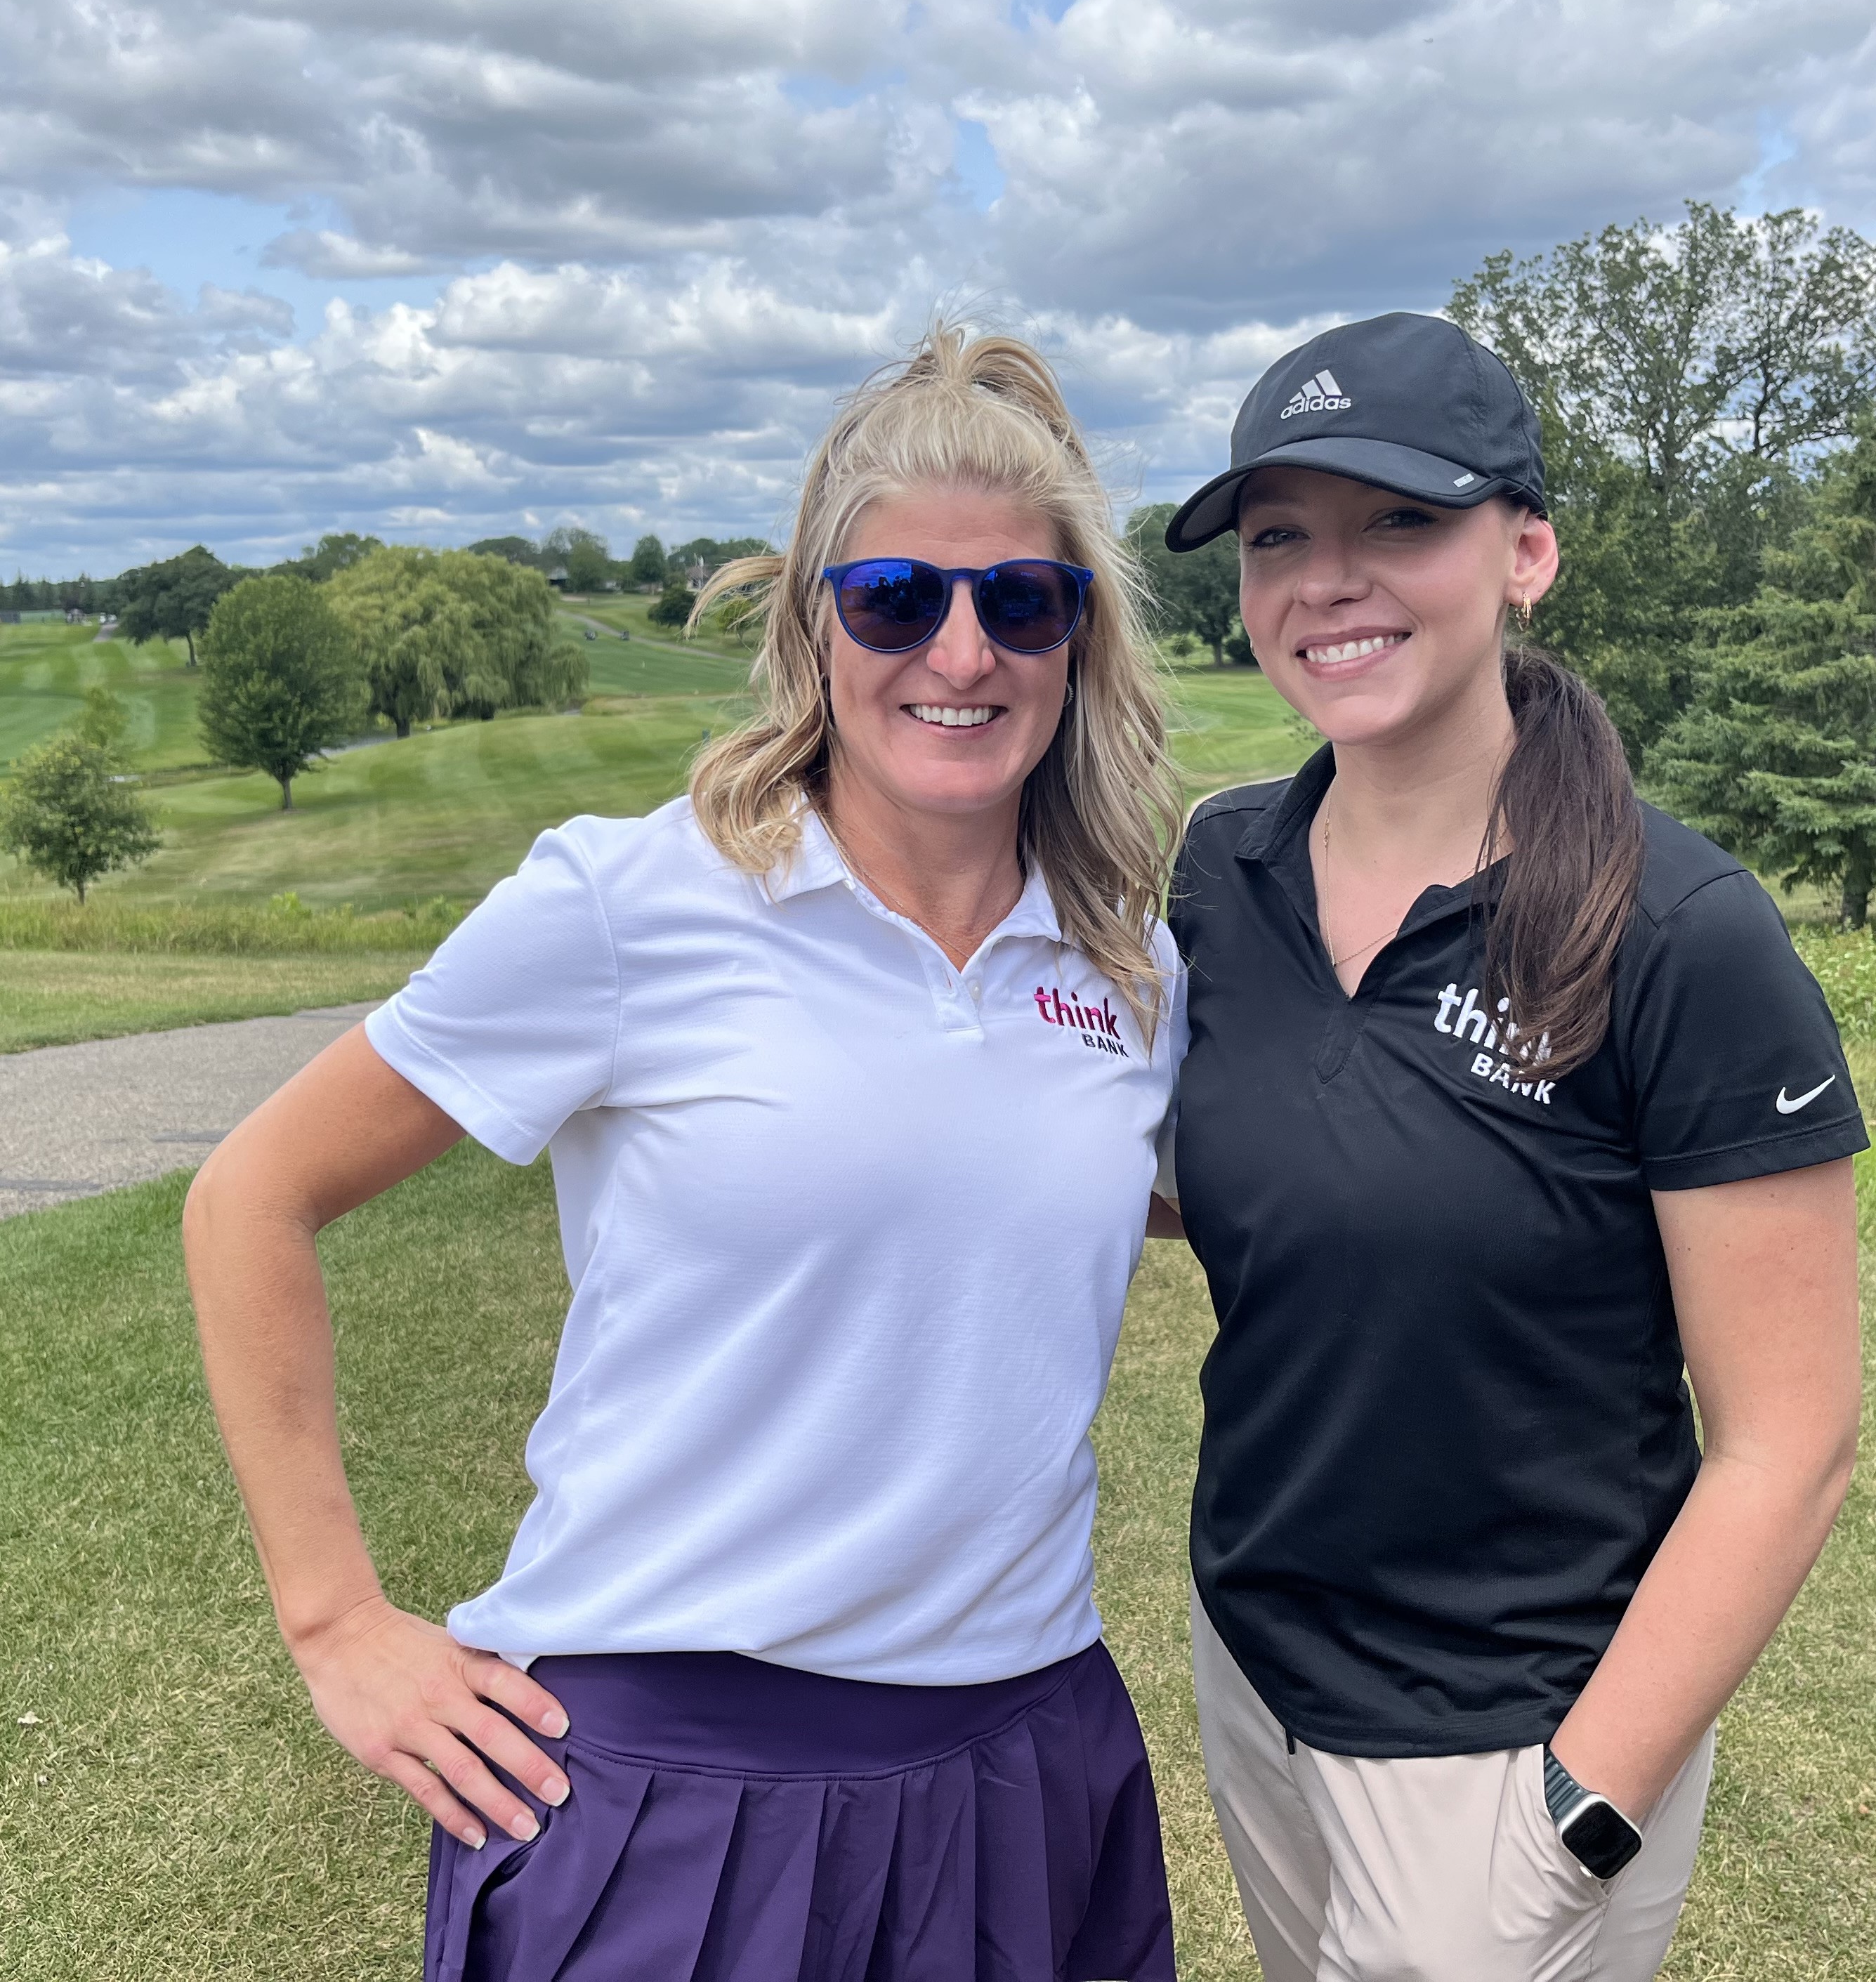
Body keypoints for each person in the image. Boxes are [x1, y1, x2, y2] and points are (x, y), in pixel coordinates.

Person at [184, 327, 1187, 1982]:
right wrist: (337, 1623)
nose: (962, 650)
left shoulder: (1128, 965)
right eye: (894, 599)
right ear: (814, 623)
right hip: (673, 1780)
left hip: (1028, 1748)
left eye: (1022, 601)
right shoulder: (629, 905)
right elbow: (253, 1198)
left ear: (1077, 643)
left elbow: (1154, 1203)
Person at [1152, 313, 1866, 1981]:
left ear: (1526, 551)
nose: (1330, 580)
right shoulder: (1219, 871)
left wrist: (1587, 1807)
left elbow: (1792, 1445)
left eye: (1400, 520)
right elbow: (1245, 1188)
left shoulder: (1680, 930)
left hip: (1508, 1742)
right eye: (1280, 538)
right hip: (1258, 1666)